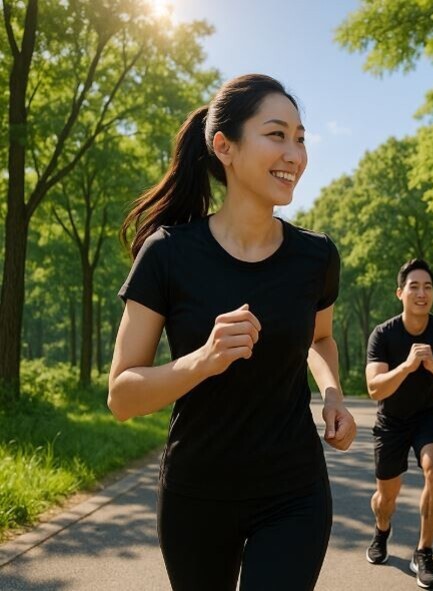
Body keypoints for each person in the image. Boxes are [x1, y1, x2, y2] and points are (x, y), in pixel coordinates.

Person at [107, 74, 357, 591]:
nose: (295, 154)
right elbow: (122, 396)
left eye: (300, 138)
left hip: (295, 491)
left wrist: (333, 394)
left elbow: (319, 339)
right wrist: (203, 360)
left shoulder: (316, 256)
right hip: (197, 495)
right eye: (276, 134)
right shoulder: (168, 253)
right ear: (224, 146)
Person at [363, 259, 433, 589]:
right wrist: (407, 366)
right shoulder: (383, 334)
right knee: (386, 498)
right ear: (400, 293)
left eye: (428, 287)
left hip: (428, 416)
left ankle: (424, 551)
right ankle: (382, 529)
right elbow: (374, 388)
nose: (422, 293)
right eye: (414, 287)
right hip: (391, 420)